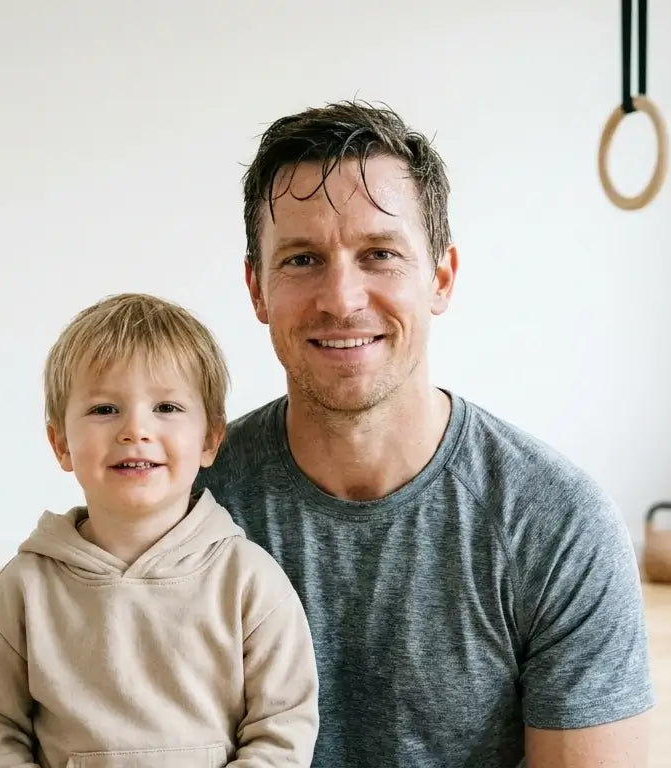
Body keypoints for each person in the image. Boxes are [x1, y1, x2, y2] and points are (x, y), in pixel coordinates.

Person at [197, 101, 654, 767]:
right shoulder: (189, 504)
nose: (341, 298)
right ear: (255, 287)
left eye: (379, 253)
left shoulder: (556, 524)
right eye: (301, 259)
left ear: (439, 277)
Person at [0, 293, 319, 768]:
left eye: (166, 407)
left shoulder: (249, 580)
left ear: (210, 439)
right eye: (105, 409)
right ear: (61, 443)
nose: (135, 430)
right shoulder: (24, 587)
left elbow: (284, 725)